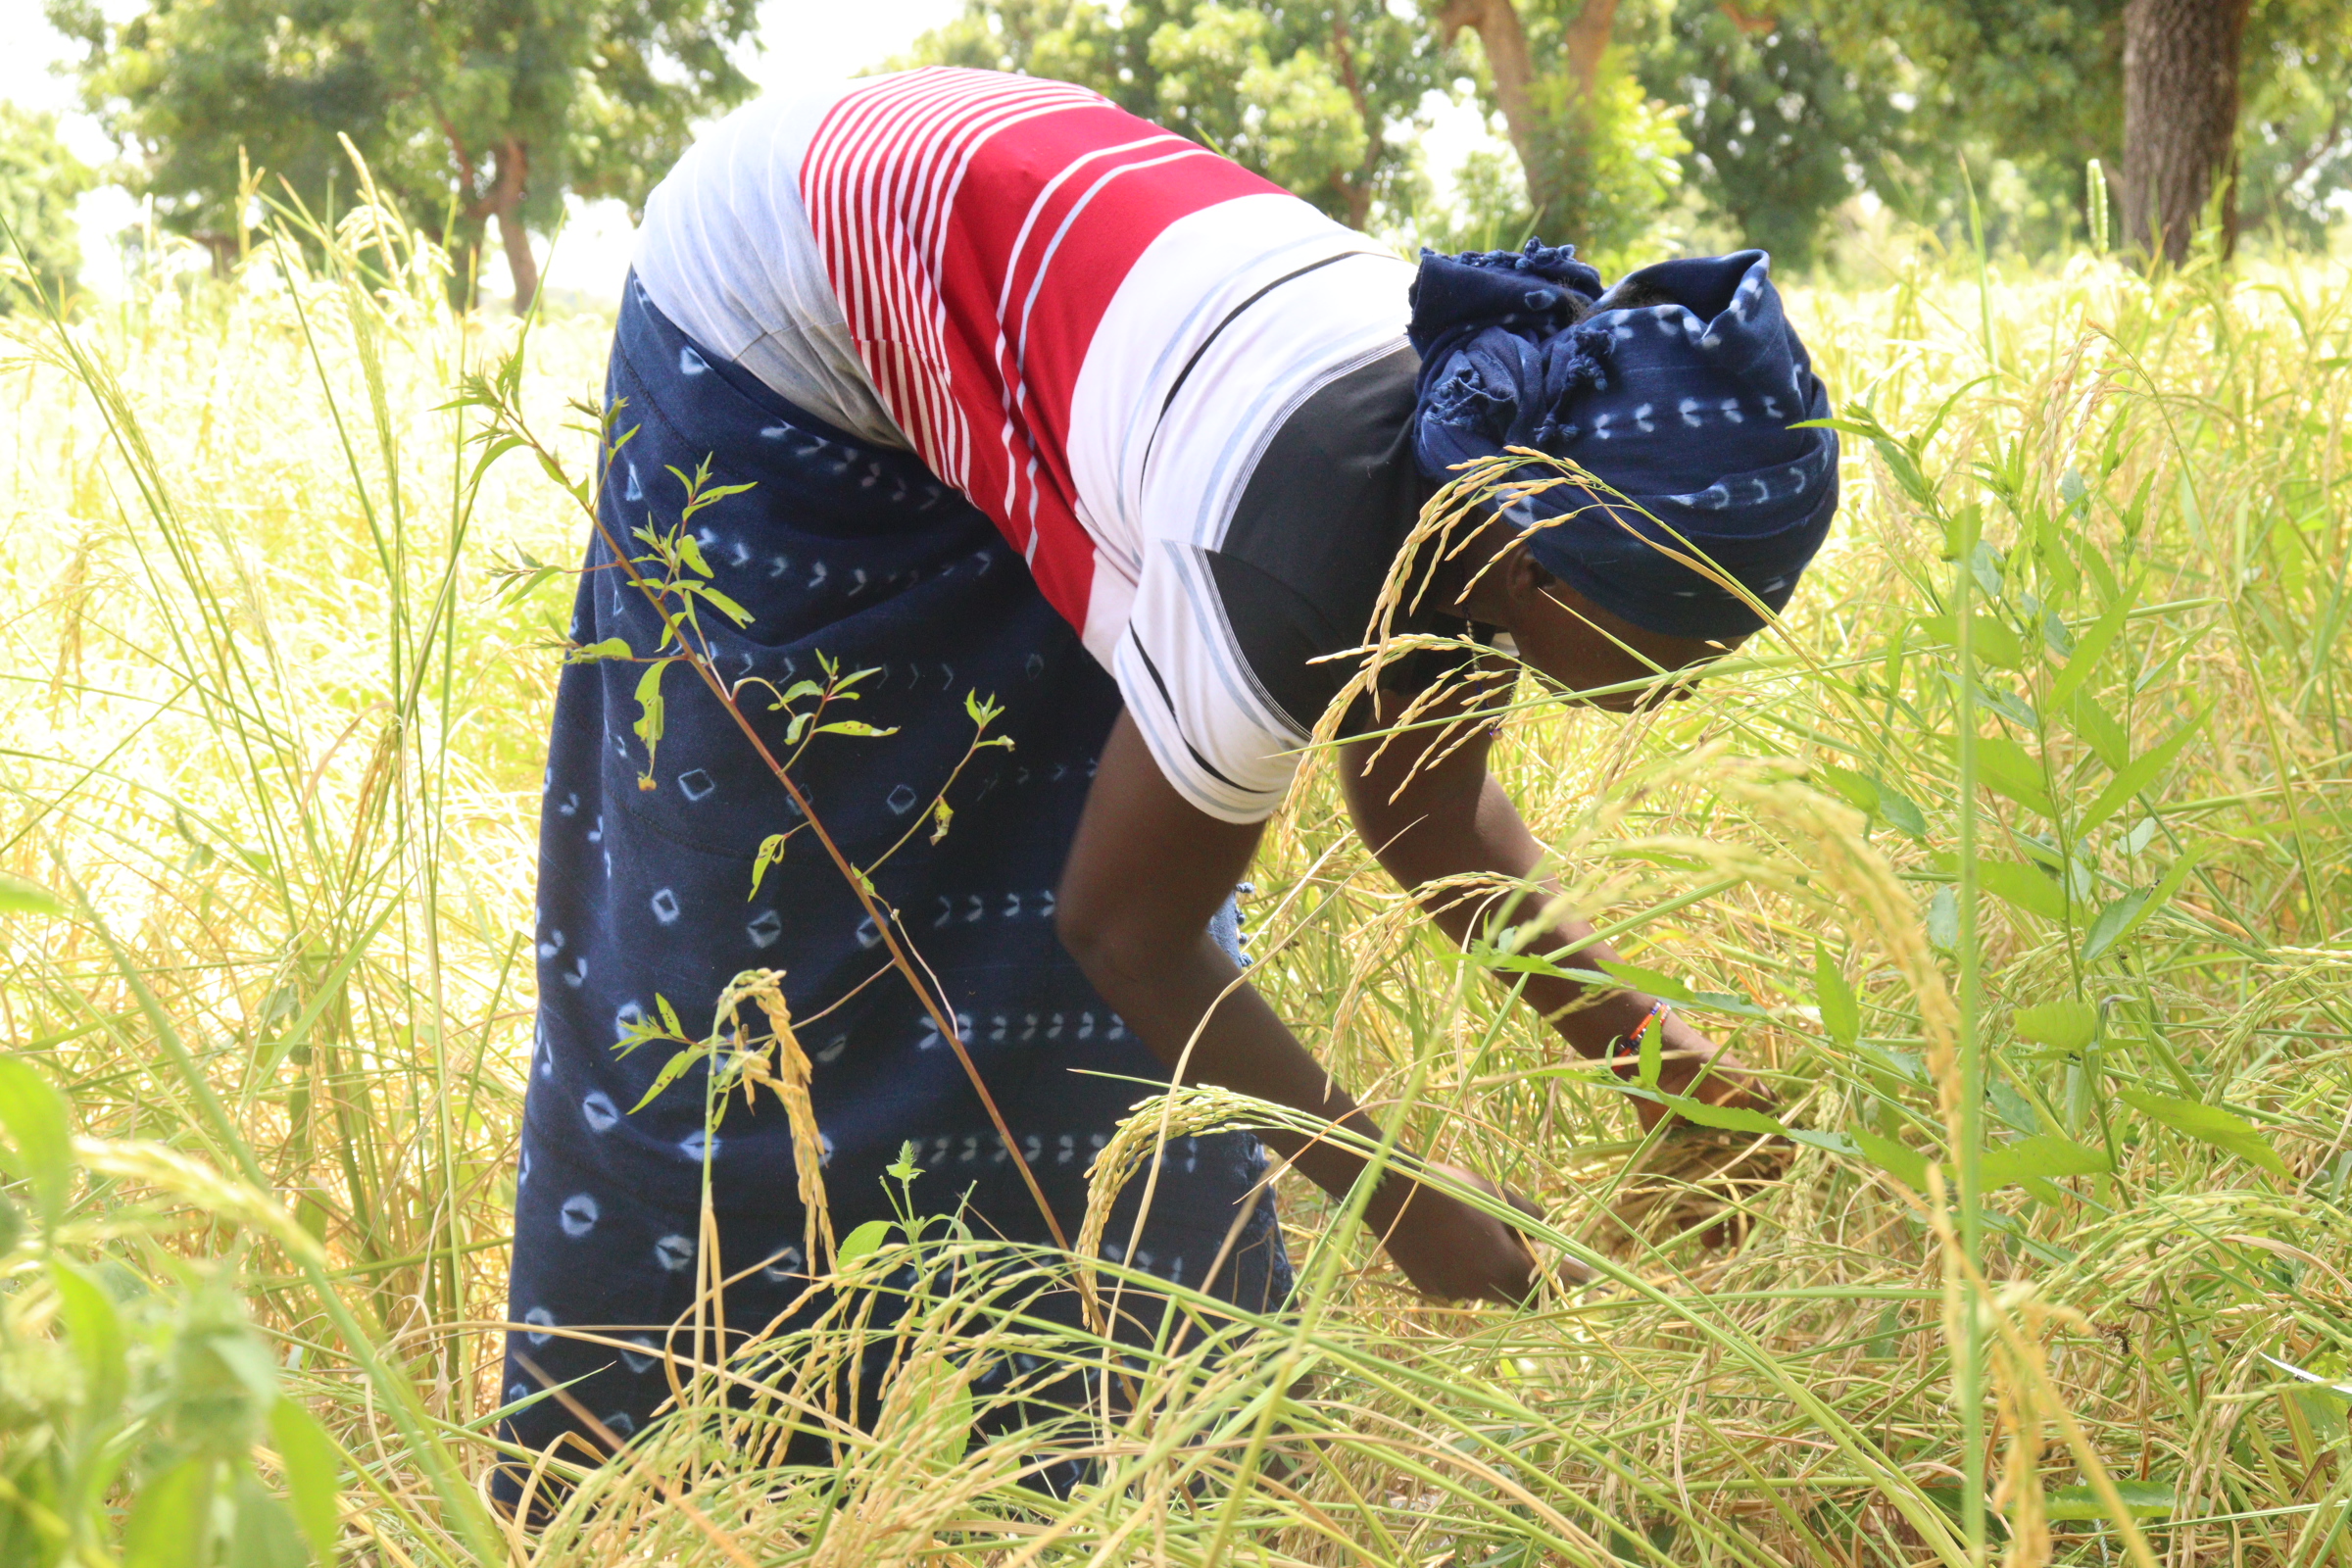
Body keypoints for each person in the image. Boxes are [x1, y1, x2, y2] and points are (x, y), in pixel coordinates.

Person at [495, 65, 1838, 1491]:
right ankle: (662, 1488)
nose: (1687, 676)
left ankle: (1124, 1482)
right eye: (1679, 627)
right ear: (1535, 555)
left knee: (1085, 946)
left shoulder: (1489, 464)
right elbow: (1126, 933)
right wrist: (1403, 1203)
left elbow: (1424, 812)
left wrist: (1661, 1066)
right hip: (780, 312)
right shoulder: (1293, 539)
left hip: (1017, 306)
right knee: (754, 960)